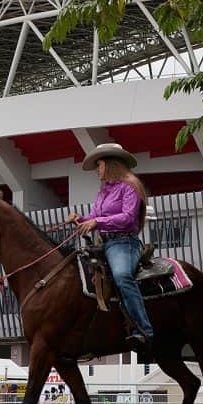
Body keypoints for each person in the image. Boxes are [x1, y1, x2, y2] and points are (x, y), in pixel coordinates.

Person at [66, 143, 153, 353]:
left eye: (99, 165)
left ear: (111, 164)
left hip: (124, 243)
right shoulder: (104, 191)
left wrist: (97, 223)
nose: (97, 170)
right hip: (104, 244)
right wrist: (80, 219)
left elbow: (128, 218)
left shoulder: (130, 186)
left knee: (123, 276)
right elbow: (96, 217)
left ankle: (144, 330)